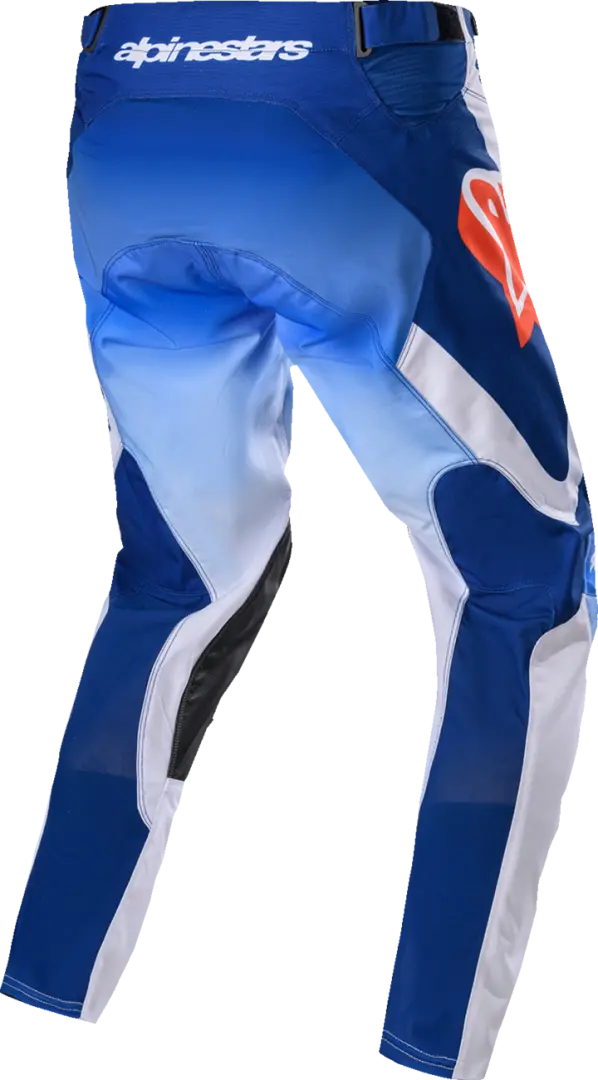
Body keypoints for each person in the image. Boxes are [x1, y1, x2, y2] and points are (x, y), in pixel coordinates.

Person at [2, 1, 595, 1073]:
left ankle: (48, 985)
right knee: (522, 577)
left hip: (129, 97)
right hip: (345, 96)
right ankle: (441, 1046)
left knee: (176, 577)